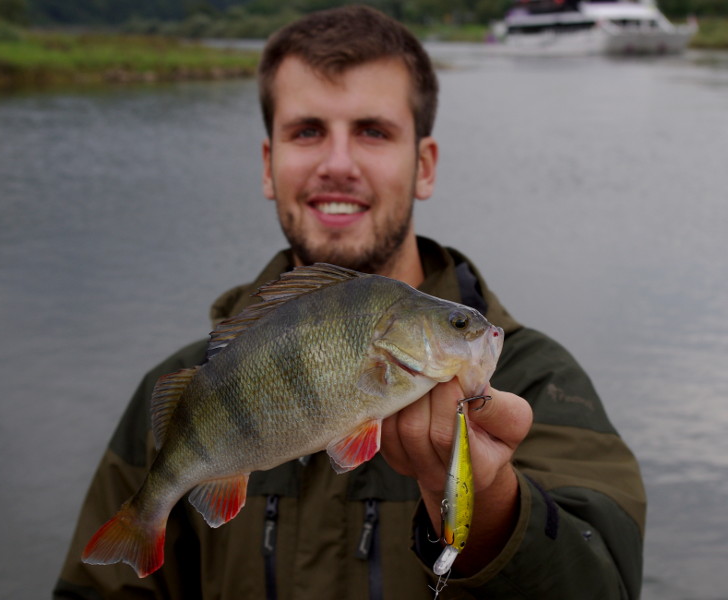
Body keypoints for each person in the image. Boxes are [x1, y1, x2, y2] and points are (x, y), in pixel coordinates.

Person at [54, 6, 645, 599]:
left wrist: (495, 511)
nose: (338, 164)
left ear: (425, 165)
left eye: (373, 131)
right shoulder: (188, 383)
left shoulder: (539, 382)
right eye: (307, 131)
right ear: (268, 166)